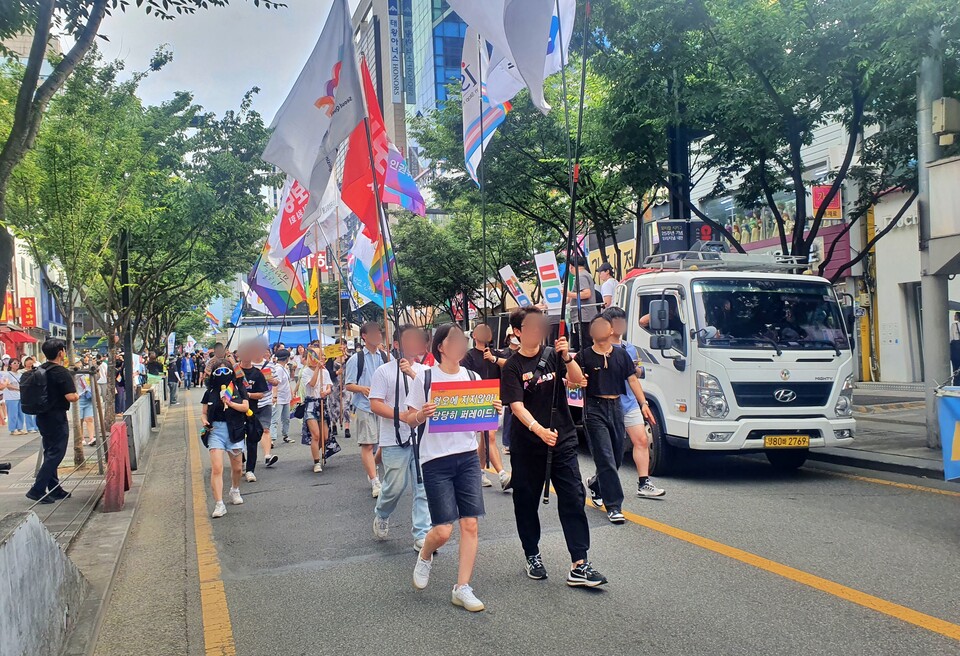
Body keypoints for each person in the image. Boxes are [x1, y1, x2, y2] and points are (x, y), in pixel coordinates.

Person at [501, 306, 608, 587]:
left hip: (562, 439)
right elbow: (516, 407)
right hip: (528, 445)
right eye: (532, 326)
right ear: (518, 332)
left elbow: (577, 380)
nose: (539, 330)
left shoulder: (552, 356)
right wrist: (538, 430)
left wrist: (567, 357)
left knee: (573, 496)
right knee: (526, 502)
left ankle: (579, 563)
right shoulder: (512, 366)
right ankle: (532, 553)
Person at [405, 323, 498, 612]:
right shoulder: (426, 378)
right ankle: (426, 553)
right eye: (455, 339)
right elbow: (409, 417)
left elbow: (484, 418)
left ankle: (462, 587)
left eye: (463, 340)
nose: (461, 344)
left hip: (468, 456)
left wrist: (494, 409)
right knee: (443, 530)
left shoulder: (472, 375)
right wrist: (422, 413)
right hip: (435, 460)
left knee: (470, 523)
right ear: (441, 346)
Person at [577, 314, 658, 523]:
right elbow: (571, 380)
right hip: (594, 409)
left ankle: (596, 483)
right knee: (605, 457)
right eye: (596, 325)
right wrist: (576, 381)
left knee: (616, 457)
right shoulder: (583, 356)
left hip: (617, 407)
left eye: (605, 325)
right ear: (592, 332)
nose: (601, 328)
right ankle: (614, 506)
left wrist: (643, 404)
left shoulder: (621, 355)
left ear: (610, 330)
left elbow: (632, 379)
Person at [369, 325, 431, 552]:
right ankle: (382, 513)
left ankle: (422, 535)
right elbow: (375, 403)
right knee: (395, 486)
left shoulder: (425, 371)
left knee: (422, 487)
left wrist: (413, 374)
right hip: (393, 439)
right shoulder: (383, 371)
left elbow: (433, 394)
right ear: (397, 345)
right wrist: (401, 416)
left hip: (421, 438)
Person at [604, 306, 666, 498]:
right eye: (616, 322)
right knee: (613, 450)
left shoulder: (629, 348)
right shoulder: (601, 347)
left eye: (622, 321)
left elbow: (635, 375)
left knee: (641, 440)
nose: (620, 326)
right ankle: (599, 481)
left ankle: (643, 482)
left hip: (630, 402)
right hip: (609, 403)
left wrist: (643, 402)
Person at [24, 339, 79, 504]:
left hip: (42, 416)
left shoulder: (40, 369)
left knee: (50, 451)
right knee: (57, 453)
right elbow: (71, 396)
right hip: (56, 416)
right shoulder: (61, 372)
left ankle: (54, 489)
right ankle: (37, 489)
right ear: (61, 352)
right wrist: (78, 395)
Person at [461, 322, 511, 491]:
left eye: (487, 329)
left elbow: (511, 366)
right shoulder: (469, 356)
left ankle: (479, 470)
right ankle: (503, 474)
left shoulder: (497, 353)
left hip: (496, 401)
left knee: (485, 438)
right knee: (489, 436)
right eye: (481, 330)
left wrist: (494, 359)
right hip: (478, 400)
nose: (485, 332)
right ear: (474, 335)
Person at [344, 322, 390, 497]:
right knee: (368, 443)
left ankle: (374, 466)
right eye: (373, 332)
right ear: (364, 336)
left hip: (384, 405)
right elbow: (349, 385)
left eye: (379, 332)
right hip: (365, 406)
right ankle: (374, 480)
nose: (378, 335)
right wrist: (363, 389)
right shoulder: (356, 359)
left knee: (384, 443)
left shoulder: (386, 357)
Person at [200, 359, 250, 518]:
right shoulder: (210, 391)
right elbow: (203, 412)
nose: (222, 374)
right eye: (218, 371)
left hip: (235, 430)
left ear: (231, 372)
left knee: (237, 469)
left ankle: (235, 490)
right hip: (216, 432)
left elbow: (245, 407)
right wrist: (204, 420)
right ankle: (219, 504)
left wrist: (230, 403)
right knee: (217, 468)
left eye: (225, 371)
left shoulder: (238, 388)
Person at [237, 341, 270, 482]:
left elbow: (261, 394)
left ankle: (250, 470)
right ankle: (241, 461)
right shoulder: (234, 372)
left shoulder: (257, 374)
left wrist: (248, 395)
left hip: (252, 412)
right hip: (236, 413)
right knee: (237, 442)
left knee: (252, 442)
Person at [299, 348, 333, 472]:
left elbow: (329, 387)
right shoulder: (306, 372)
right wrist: (317, 369)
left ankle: (318, 452)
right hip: (311, 404)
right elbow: (312, 384)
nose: (320, 358)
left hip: (322, 403)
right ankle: (316, 461)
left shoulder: (326, 372)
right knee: (316, 435)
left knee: (324, 436)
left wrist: (327, 392)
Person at [565, 255, 599, 351]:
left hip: (583, 316)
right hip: (585, 316)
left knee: (583, 345)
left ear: (571, 266)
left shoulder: (581, 276)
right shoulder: (586, 274)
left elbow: (586, 293)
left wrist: (568, 294)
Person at [270, 349, 293, 444]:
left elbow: (287, 382)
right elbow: (276, 383)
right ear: (286, 358)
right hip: (279, 397)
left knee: (286, 418)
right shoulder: (278, 369)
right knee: (275, 419)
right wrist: (274, 397)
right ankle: (271, 439)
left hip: (286, 397)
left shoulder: (284, 368)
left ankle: (285, 435)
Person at [2, 358, 25, 435]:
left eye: (18, 363)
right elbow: (7, 385)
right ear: (10, 364)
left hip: (19, 396)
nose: (17, 364)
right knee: (13, 413)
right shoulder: (7, 374)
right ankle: (13, 429)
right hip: (11, 397)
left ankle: (19, 428)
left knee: (20, 413)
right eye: (14, 363)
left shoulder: (20, 374)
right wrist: (18, 389)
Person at [75, 368, 96, 446]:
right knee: (79, 420)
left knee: (89, 419)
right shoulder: (74, 374)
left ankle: (91, 438)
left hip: (88, 397)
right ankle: (81, 438)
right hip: (79, 398)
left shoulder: (87, 373)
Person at [22, 356, 37, 433]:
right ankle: (30, 427)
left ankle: (37, 426)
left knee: (37, 410)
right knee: (28, 411)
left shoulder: (36, 370)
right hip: (26, 393)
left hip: (36, 392)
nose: (29, 362)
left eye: (30, 360)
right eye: (27, 360)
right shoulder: (21, 372)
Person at [952, 312, 960, 386]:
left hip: (956, 349)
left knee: (956, 368)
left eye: (955, 315)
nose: (954, 316)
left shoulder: (954, 325)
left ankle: (956, 384)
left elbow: (952, 337)